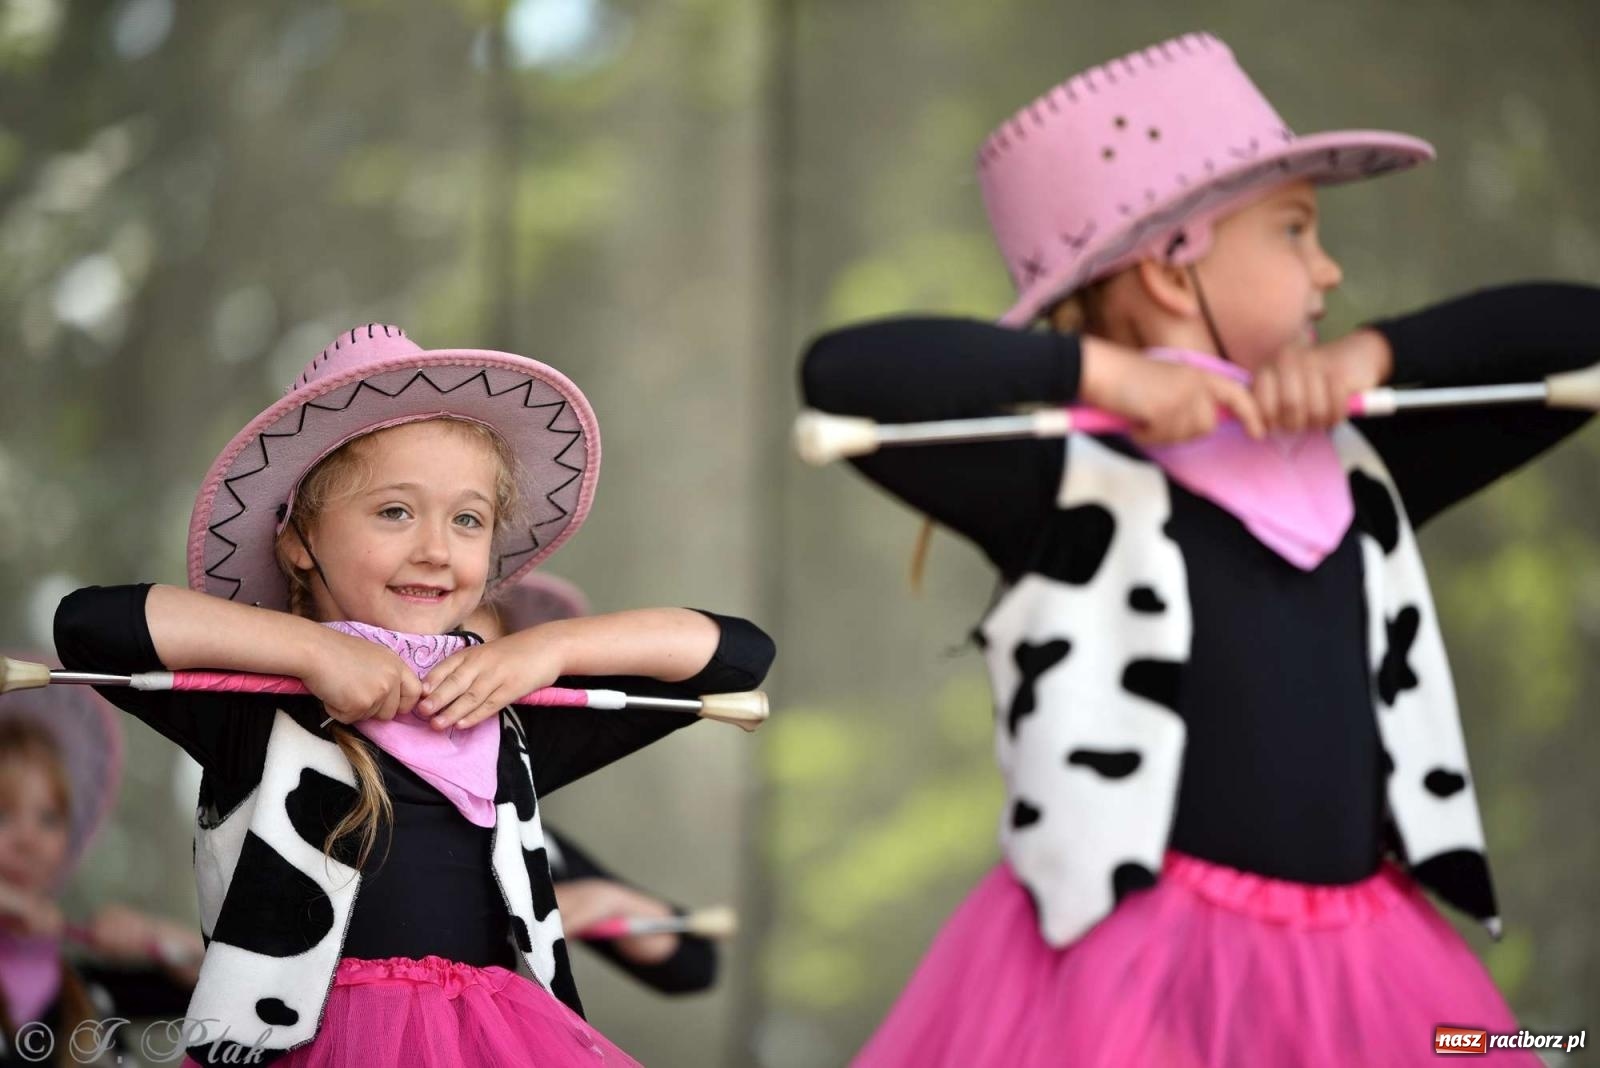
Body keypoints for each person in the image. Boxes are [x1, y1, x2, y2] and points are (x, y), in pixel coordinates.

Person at [800, 31, 1597, 1067]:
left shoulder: (1362, 460)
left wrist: (1375, 351)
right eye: (1295, 231)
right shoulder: (1061, 481)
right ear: (1175, 272)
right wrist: (1106, 378)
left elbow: (1579, 328)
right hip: (1124, 984)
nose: (1328, 269)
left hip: (1371, 971)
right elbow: (848, 374)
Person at [54, 324, 775, 1066]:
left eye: (467, 519)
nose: (435, 547)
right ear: (299, 540)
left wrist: (551, 648)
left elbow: (737, 655)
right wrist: (311, 650)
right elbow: (88, 626)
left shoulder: (508, 717)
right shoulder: (257, 703)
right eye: (395, 511)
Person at [1, 660, 200, 1068]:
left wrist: (149, 935)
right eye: (2, 814)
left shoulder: (87, 989)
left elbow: (220, 979)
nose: (28, 840)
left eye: (49, 818)